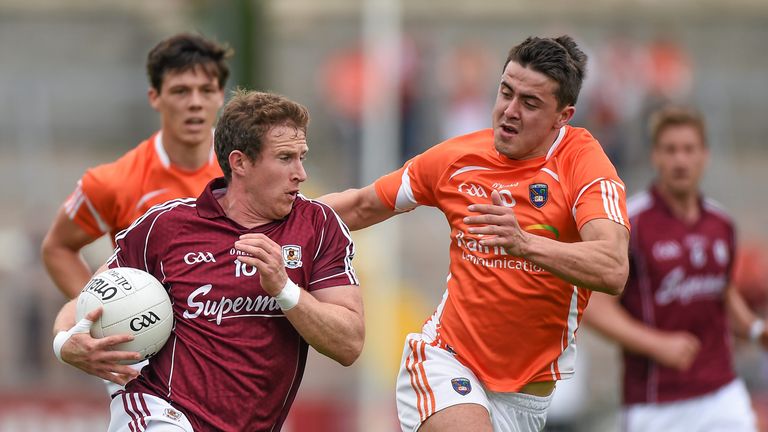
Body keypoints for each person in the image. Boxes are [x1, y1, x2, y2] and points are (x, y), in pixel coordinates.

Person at [320, 35, 630, 432]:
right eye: (506, 92)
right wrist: (271, 219)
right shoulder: (457, 159)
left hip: (526, 400)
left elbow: (613, 267)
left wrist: (525, 244)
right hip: (447, 361)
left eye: (530, 103)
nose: (509, 111)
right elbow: (361, 205)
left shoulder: (585, 167)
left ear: (563, 116)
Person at [52, 90, 364, 431]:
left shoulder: (318, 227)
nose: (301, 173)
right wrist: (64, 342)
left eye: (302, 156)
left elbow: (349, 344)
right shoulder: (166, 226)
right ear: (240, 162)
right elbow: (95, 293)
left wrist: (284, 289)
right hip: (161, 409)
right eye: (285, 158)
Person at [583, 106, 765, 431]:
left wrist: (754, 330)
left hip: (722, 392)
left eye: (688, 149)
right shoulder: (631, 224)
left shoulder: (721, 223)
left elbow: (720, 290)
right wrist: (657, 343)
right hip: (657, 403)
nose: (680, 160)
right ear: (655, 157)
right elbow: (594, 307)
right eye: (670, 150)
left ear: (704, 155)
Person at [41, 33, 231, 301]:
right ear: (155, 97)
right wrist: (99, 311)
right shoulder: (113, 182)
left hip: (233, 338)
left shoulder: (248, 170)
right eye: (181, 91)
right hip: (152, 340)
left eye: (207, 90)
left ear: (221, 95)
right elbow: (57, 248)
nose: (195, 103)